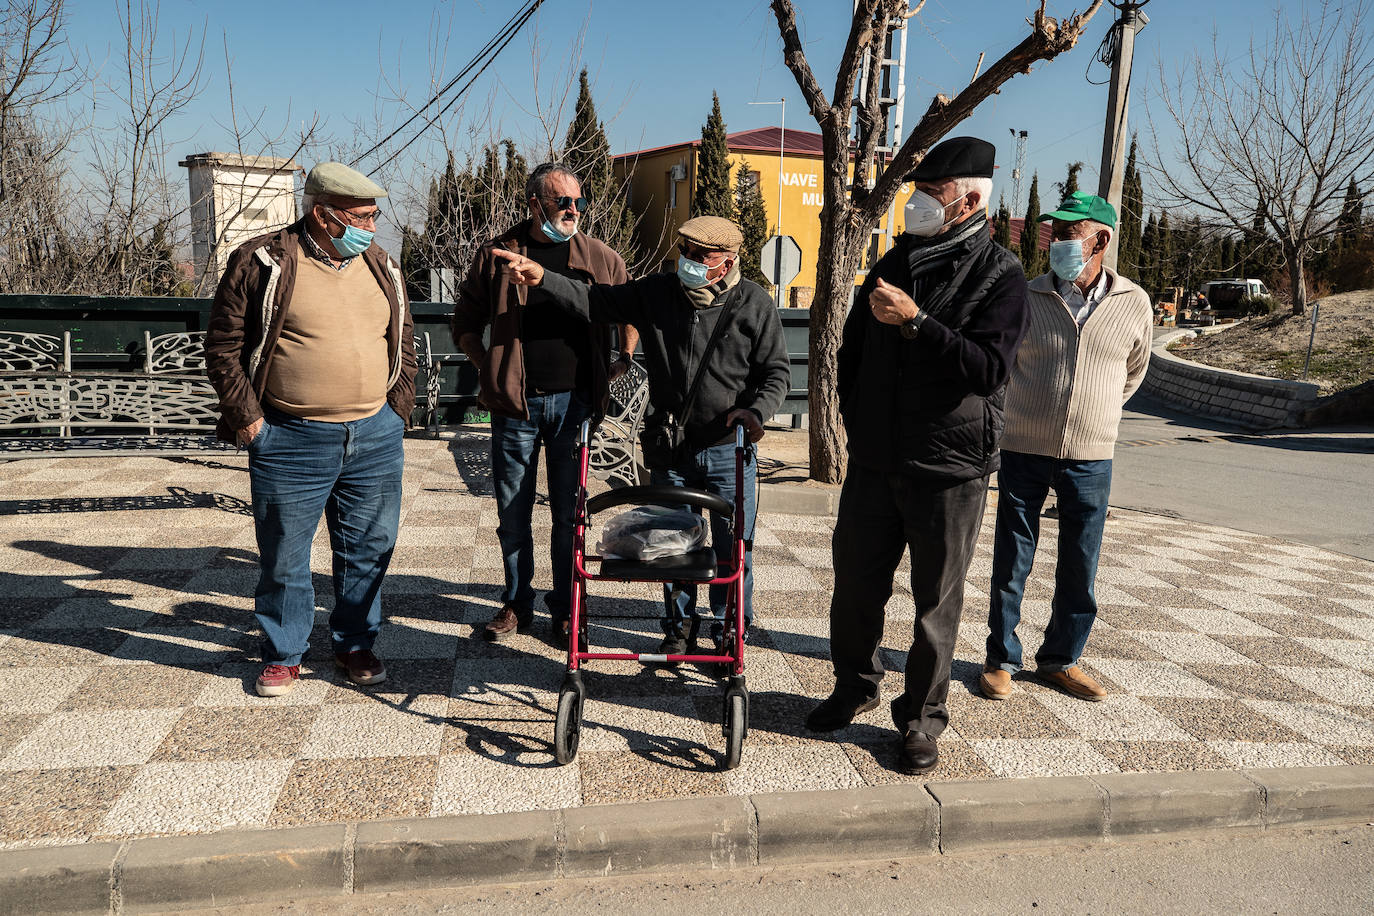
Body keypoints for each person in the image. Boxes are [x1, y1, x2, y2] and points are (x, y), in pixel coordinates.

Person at [803, 137, 1029, 775]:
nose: (918, 205)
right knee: (854, 585)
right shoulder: (894, 260)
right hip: (877, 460)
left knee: (935, 601)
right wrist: (855, 420)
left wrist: (917, 322)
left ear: (970, 201)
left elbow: (986, 369)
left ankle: (922, 719)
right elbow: (848, 350)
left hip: (950, 471)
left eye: (932, 195)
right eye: (918, 194)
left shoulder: (1001, 276)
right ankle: (853, 685)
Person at [492, 215, 790, 654]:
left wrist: (756, 412)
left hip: (728, 448)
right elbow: (595, 301)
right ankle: (679, 627)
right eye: (683, 252)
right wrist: (542, 279)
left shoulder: (754, 303)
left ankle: (730, 629)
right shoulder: (659, 292)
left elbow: (777, 373)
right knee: (672, 543)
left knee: (734, 546)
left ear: (725, 264)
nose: (685, 261)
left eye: (697, 256)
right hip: (671, 445)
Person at [205, 162, 416, 697]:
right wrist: (251, 424)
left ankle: (354, 642)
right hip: (290, 437)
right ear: (323, 215)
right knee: (284, 553)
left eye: (374, 215)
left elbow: (405, 338)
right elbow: (223, 348)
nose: (372, 226)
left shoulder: (380, 264)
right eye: (362, 216)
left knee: (370, 547)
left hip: (374, 434)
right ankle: (283, 652)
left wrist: (398, 408)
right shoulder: (263, 261)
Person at [452, 163, 638, 648]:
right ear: (534, 203)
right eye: (562, 201)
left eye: (578, 201)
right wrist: (488, 366)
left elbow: (630, 312)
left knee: (567, 513)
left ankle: (565, 606)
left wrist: (623, 358)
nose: (573, 210)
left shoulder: (600, 258)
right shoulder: (498, 256)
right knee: (512, 512)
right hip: (517, 405)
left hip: (575, 405)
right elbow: (465, 322)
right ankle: (517, 602)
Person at [980, 191, 1153, 703]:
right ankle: (1000, 659)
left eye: (1069, 232)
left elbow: (1133, 372)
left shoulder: (1134, 302)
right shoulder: (1026, 295)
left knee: (1081, 561)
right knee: (1012, 557)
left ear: (1101, 239)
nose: (1057, 241)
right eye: (1055, 232)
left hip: (1092, 454)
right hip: (1024, 446)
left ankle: (1061, 659)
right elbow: (1003, 365)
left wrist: (1093, 413)